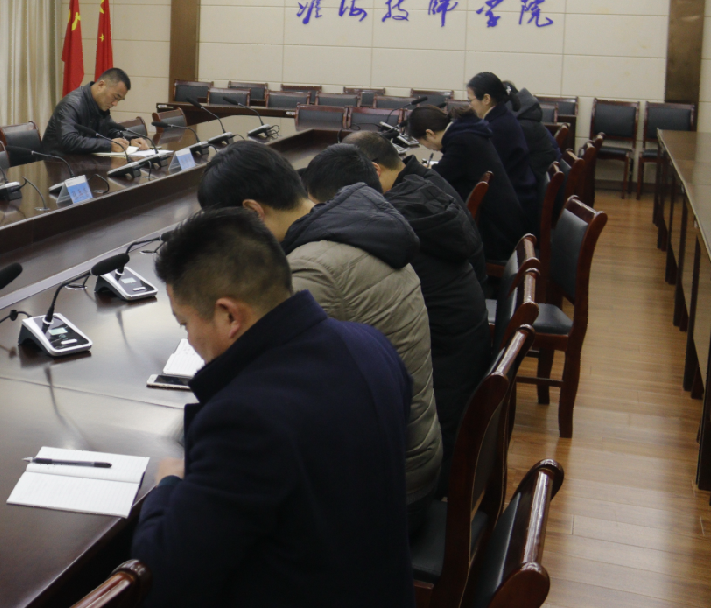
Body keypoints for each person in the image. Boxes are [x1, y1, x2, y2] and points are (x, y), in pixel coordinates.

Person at [132, 207, 414, 608]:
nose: (190, 340)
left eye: (185, 324)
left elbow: (165, 578)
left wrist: (169, 487)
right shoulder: (371, 345)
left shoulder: (243, 420)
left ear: (229, 315)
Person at [196, 141, 442, 513]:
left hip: (387, 490)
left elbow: (246, 378)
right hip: (412, 454)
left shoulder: (312, 269)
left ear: (253, 212)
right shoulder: (356, 225)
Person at [347, 131, 492, 482]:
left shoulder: (402, 217)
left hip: (441, 393)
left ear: (374, 171)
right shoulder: (422, 188)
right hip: (462, 346)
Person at [408, 105, 526, 264]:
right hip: (504, 223)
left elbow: (435, 178)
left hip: (496, 235)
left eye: (421, 142)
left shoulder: (461, 142)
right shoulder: (466, 133)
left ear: (430, 134)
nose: (426, 147)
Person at [467, 72, 539, 231]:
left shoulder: (496, 127)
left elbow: (482, 171)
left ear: (486, 99)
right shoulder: (501, 117)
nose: (470, 106)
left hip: (513, 210)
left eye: (470, 100)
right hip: (518, 197)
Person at [41, 67, 150, 155]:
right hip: (57, 165)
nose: (115, 104)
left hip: (82, 163)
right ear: (101, 85)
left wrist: (130, 140)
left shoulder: (100, 104)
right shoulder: (70, 104)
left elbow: (109, 130)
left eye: (119, 100)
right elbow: (68, 140)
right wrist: (109, 145)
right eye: (115, 97)